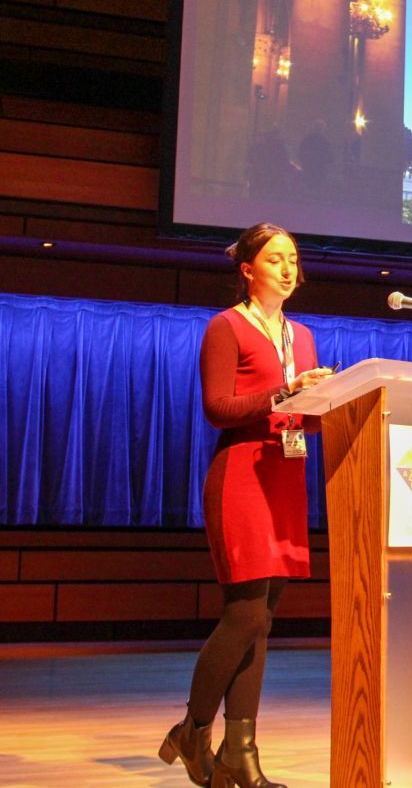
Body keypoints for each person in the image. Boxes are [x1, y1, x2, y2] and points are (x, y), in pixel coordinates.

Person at [160, 223, 334, 788]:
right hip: (240, 473)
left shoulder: (301, 335)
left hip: (287, 476)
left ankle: (241, 757)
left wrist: (327, 400)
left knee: (263, 624)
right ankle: (193, 729)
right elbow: (217, 406)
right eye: (275, 259)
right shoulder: (226, 326)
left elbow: (301, 415)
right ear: (247, 270)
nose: (288, 268)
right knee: (247, 614)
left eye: (294, 259)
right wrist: (286, 392)